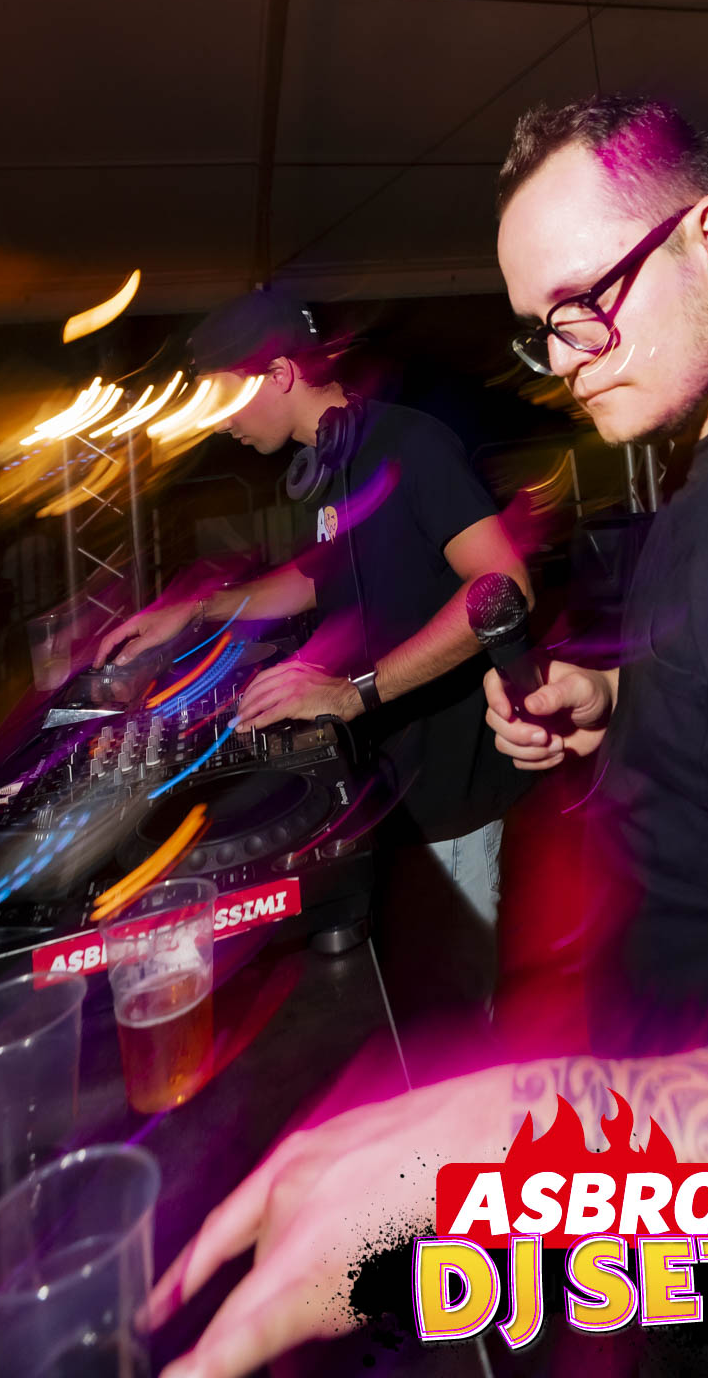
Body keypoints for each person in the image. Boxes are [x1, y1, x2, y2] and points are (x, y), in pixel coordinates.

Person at [153, 99, 708, 1378]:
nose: (563, 359)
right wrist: (621, 701)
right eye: (539, 328)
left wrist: (508, 1155)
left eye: (585, 303)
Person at [95, 287, 532, 932]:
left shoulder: (411, 443)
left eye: (222, 399)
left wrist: (353, 693)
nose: (217, 423)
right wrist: (196, 609)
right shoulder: (325, 467)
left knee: (451, 976)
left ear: (278, 373)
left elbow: (505, 586)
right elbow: (312, 578)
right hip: (381, 775)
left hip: (446, 788)